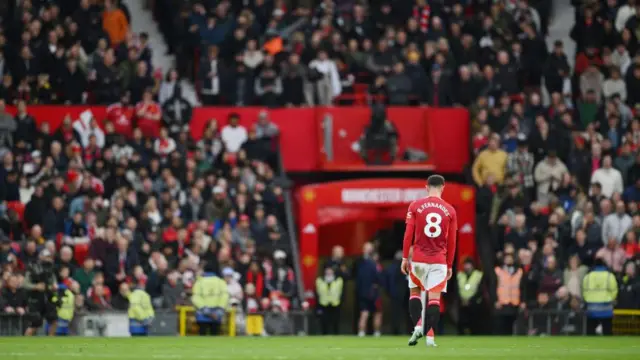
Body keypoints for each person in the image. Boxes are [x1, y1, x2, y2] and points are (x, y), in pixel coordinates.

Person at [401, 174, 457, 347]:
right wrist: (449, 264)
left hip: (418, 258)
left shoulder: (415, 206)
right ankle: (430, 337)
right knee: (434, 300)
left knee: (415, 293)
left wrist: (405, 257)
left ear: (426, 187)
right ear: (443, 187)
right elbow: (452, 241)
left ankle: (418, 326)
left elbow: (408, 234)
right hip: (439, 260)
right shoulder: (450, 210)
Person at [582, 258, 618, 335]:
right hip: (606, 308)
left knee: (590, 332)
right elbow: (614, 290)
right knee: (607, 332)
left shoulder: (588, 276)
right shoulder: (609, 276)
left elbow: (584, 291)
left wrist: (589, 299)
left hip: (591, 308)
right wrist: (610, 299)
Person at [192, 265, 229, 336]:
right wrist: (219, 309)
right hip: (216, 313)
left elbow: (196, 297)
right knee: (214, 335)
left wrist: (205, 309)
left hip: (202, 313)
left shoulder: (199, 282)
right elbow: (225, 296)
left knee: (202, 336)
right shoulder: (220, 282)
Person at [316, 266, 343, 335]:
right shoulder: (320, 280)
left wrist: (341, 302)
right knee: (324, 321)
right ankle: (324, 334)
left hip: (335, 303)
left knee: (335, 320)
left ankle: (336, 334)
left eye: (330, 270)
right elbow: (317, 292)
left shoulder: (339, 280)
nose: (329, 272)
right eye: (327, 270)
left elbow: (342, 292)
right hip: (323, 303)